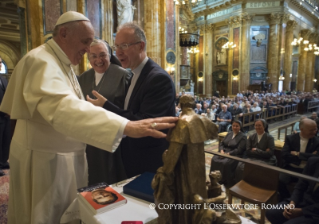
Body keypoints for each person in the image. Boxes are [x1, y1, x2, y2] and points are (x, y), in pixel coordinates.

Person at [0, 11, 177, 224]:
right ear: (64, 33)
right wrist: (125, 126)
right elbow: (63, 107)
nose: (88, 50)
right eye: (85, 42)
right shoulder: (41, 61)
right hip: (43, 162)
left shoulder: (61, 63)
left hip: (60, 158)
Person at [87, 22, 176, 178]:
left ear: (141, 46)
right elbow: (130, 112)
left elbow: (145, 124)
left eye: (124, 46)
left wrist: (106, 105)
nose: (118, 52)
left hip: (150, 162)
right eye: (116, 47)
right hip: (131, 158)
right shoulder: (134, 74)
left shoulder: (157, 79)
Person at [78, 39, 131, 185]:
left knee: (112, 177)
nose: (98, 60)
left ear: (109, 55)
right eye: (93, 56)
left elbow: (128, 108)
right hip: (89, 137)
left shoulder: (123, 75)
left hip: (114, 136)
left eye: (102, 55)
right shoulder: (83, 78)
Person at [266, 157, 319, 224]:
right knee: (271, 213)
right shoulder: (313, 161)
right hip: (302, 200)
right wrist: (292, 204)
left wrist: (302, 211)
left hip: (315, 212)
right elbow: (300, 185)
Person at [279, 119, 319, 200]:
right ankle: (287, 200)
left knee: (310, 187)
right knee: (280, 181)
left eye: (316, 129)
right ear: (302, 129)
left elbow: (316, 158)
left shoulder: (317, 141)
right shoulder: (290, 138)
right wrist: (308, 156)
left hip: (308, 170)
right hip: (291, 168)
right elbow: (284, 154)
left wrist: (298, 154)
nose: (315, 131)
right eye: (312, 130)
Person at [210, 120, 246, 187]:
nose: (235, 127)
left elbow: (239, 149)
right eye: (233, 126)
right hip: (223, 152)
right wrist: (221, 151)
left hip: (234, 154)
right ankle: (214, 178)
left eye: (237, 126)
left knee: (225, 163)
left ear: (240, 127)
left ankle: (224, 181)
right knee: (214, 159)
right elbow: (222, 143)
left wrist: (228, 154)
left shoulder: (243, 136)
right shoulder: (229, 133)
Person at [0, 56, 10, 176]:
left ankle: (3, 162)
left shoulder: (3, 79)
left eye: (1, 62)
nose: (1, 65)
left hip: (6, 116)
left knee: (5, 140)